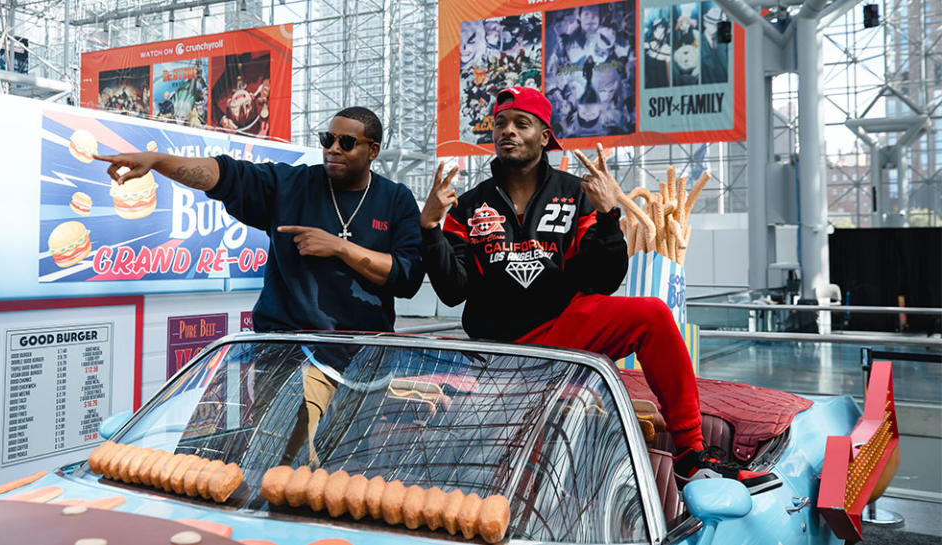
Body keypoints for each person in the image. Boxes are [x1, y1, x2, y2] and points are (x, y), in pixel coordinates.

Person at [418, 86, 780, 493]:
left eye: (522, 123)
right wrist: (430, 229)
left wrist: (609, 216)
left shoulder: (576, 194)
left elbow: (604, 281)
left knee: (652, 315)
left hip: (561, 325)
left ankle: (692, 456)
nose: (508, 132)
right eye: (500, 124)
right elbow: (452, 291)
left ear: (544, 134)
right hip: (498, 344)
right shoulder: (467, 205)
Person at [96, 106, 425, 463]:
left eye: (347, 142)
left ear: (372, 150)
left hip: (365, 362)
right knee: (283, 469)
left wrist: (339, 247)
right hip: (289, 358)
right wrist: (158, 161)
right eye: (327, 139)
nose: (333, 149)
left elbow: (406, 277)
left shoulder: (396, 200)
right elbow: (224, 174)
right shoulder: (291, 186)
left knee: (348, 466)